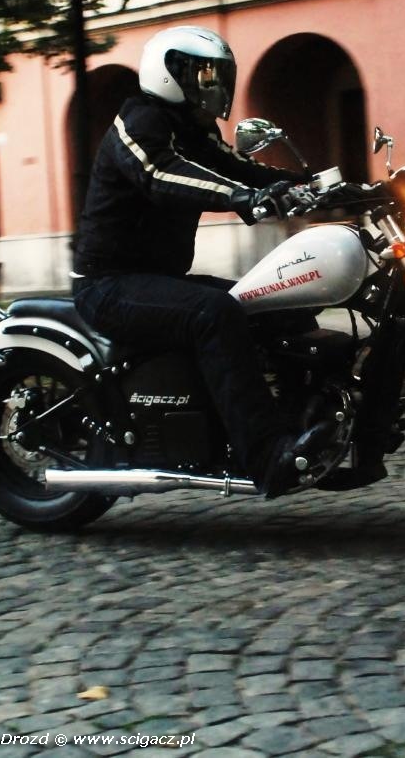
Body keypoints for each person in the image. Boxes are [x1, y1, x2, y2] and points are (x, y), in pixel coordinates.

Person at [71, 25, 313, 499]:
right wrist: (244, 199)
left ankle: (297, 424)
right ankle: (267, 457)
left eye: (216, 75)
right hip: (109, 285)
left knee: (277, 301)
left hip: (157, 280)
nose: (212, 85)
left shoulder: (196, 130)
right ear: (169, 74)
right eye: (202, 74)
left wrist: (311, 185)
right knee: (214, 313)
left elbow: (239, 167)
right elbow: (161, 174)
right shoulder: (138, 121)